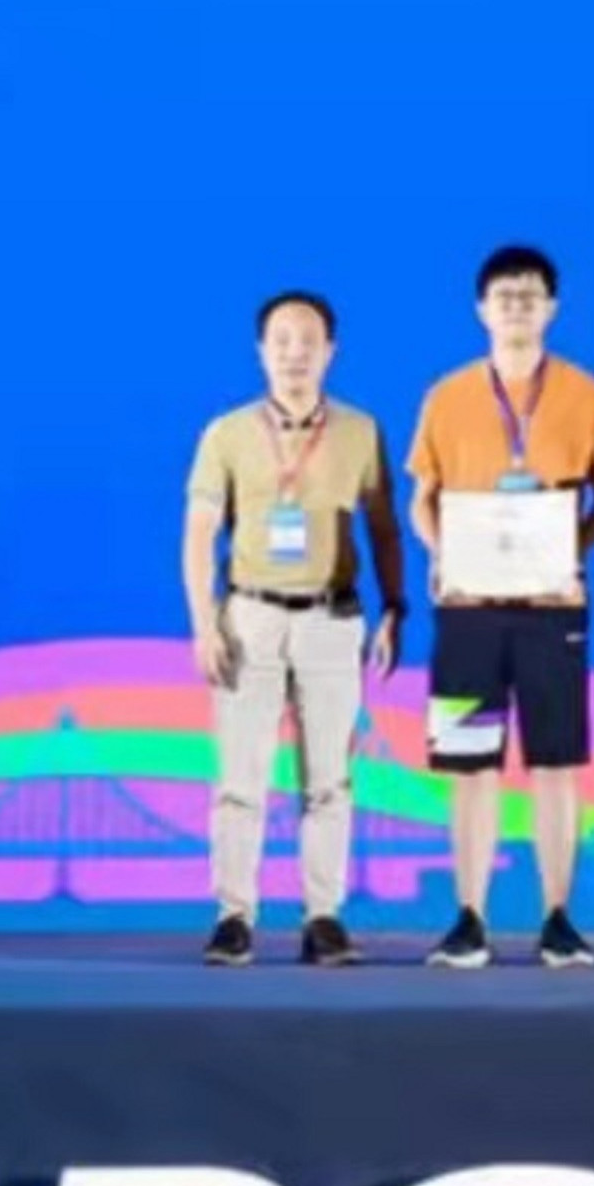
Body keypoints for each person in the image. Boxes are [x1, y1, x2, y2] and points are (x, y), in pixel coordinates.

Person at [407, 245, 594, 969]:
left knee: (557, 762)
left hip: (552, 607)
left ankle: (558, 918)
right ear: (482, 309)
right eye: (504, 296)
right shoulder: (446, 396)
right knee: (471, 765)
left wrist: (573, 551)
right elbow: (422, 499)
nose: (517, 307)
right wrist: (443, 554)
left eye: (530, 296)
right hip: (468, 608)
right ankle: (469, 917)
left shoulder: (587, 394)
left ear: (552, 308)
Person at [180, 290, 405, 966]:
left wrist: (396, 606)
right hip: (250, 615)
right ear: (261, 351)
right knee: (240, 777)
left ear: (330, 350)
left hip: (332, 617)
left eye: (308, 340)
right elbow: (199, 533)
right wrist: (204, 624)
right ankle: (234, 915)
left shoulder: (361, 430)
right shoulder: (225, 433)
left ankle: (323, 917)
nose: (294, 353)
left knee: (330, 778)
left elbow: (384, 528)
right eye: (281, 340)